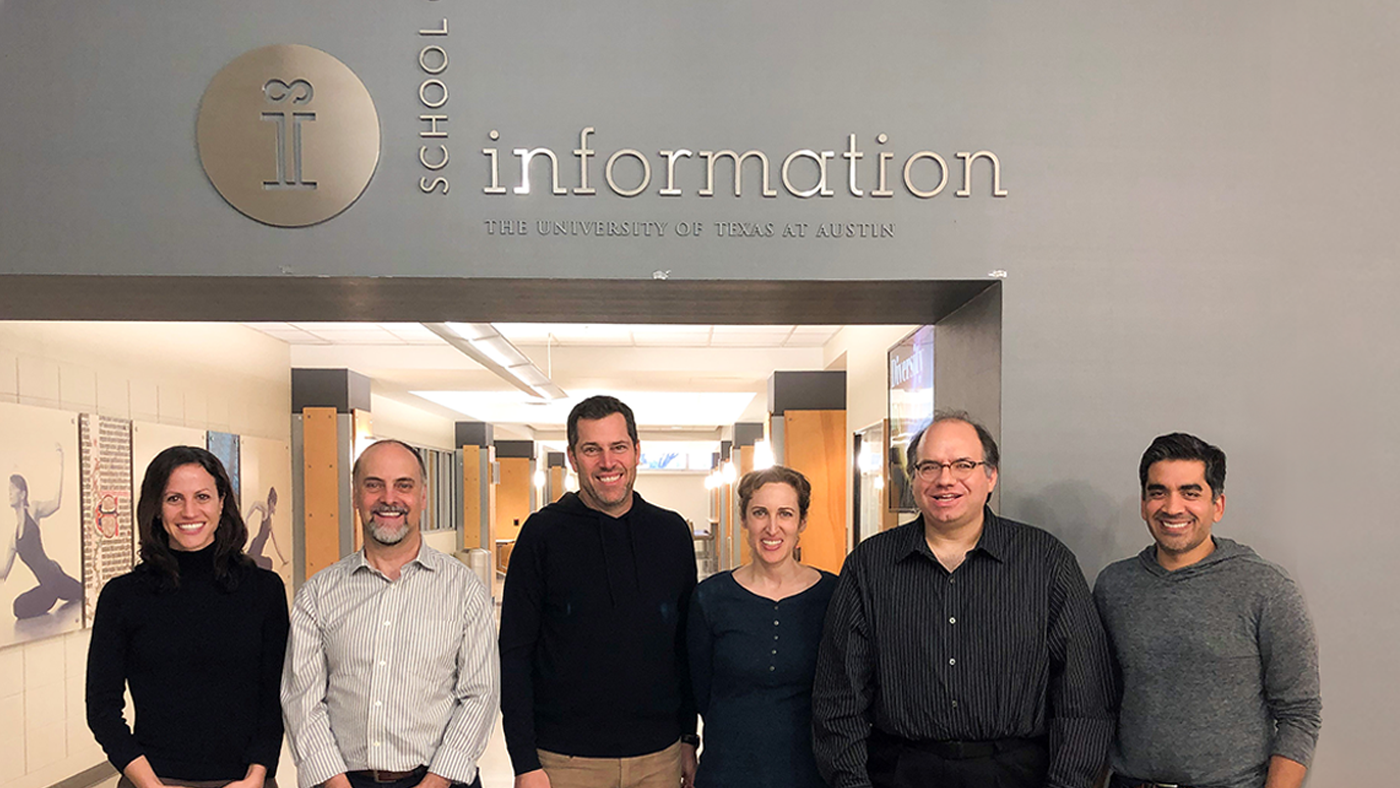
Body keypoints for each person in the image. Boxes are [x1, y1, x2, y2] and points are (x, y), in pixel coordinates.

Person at [812, 411, 1115, 788]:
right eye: (929, 467)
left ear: (991, 476)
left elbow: (1082, 698)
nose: (945, 479)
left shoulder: (1046, 562)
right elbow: (839, 696)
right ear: (913, 479)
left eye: (963, 465)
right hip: (901, 772)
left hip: (1017, 774)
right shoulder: (869, 565)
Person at [1093, 433, 1321, 788]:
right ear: (1143, 503)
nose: (1172, 507)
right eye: (1158, 492)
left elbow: (1299, 713)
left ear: (1218, 504)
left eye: (1190, 492)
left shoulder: (1265, 587)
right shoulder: (1114, 586)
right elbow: (1098, 704)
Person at [500, 395, 699, 788]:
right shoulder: (542, 535)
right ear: (573, 457)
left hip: (658, 759)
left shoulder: (671, 533)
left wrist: (688, 739)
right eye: (592, 450)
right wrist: (524, 761)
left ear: (637, 451)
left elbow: (684, 648)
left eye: (618, 447)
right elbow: (514, 652)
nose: (608, 463)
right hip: (565, 762)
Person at [282, 439, 498, 788]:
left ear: (423, 497)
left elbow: (480, 694)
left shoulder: (464, 590)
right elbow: (302, 699)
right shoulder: (319, 594)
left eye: (403, 485)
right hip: (343, 781)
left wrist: (436, 781)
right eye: (373, 485)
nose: (389, 498)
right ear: (355, 495)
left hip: (441, 780)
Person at [86, 445, 289, 788]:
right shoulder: (123, 596)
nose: (189, 511)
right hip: (154, 779)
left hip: (244, 781)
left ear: (222, 501)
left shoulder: (263, 590)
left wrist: (257, 775)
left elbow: (275, 697)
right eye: (173, 499)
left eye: (203, 496)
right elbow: (102, 707)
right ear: (155, 508)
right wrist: (149, 784)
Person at [686, 465, 837, 788]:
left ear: (802, 522)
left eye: (785, 513)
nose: (772, 528)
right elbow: (698, 690)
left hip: (811, 772)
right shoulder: (711, 597)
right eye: (759, 513)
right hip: (728, 771)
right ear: (744, 520)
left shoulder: (833, 596)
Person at [3, 443, 83, 618]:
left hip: (55, 576)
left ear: (22, 494)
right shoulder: (13, 540)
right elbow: (3, 572)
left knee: (83, 593)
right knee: (18, 607)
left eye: (11, 490)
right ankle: (52, 591)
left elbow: (56, 503)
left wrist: (61, 464)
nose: (8, 494)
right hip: (48, 587)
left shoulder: (34, 510)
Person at [245, 486, 288, 571]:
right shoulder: (265, 510)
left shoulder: (270, 522)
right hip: (255, 548)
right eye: (273, 504)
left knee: (268, 562)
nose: (274, 507)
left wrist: (283, 559)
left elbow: (275, 542)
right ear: (270, 502)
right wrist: (246, 519)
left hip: (258, 551)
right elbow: (256, 504)